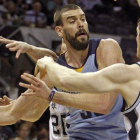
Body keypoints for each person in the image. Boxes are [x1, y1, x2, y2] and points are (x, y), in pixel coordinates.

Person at [0, 4, 127, 140]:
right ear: (60, 32)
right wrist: (17, 106)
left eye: (83, 19)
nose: (80, 24)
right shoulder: (52, 71)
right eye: (72, 21)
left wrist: (52, 95)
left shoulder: (106, 48)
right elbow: (13, 114)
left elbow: (104, 104)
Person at [20, 18, 140, 140]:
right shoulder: (53, 76)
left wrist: (52, 94)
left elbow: (103, 103)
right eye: (63, 43)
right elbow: (32, 113)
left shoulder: (95, 76)